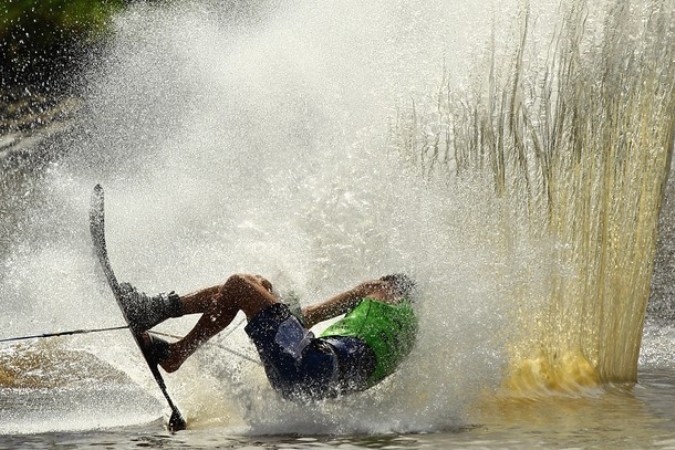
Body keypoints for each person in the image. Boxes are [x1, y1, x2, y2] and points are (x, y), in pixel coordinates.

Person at [119, 273, 418, 400]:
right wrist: (271, 295)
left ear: (393, 289)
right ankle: (170, 343)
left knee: (239, 284)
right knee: (257, 284)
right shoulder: (405, 337)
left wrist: (364, 289)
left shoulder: (385, 290)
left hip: (313, 361)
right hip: (310, 385)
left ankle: (160, 320)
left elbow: (309, 315)